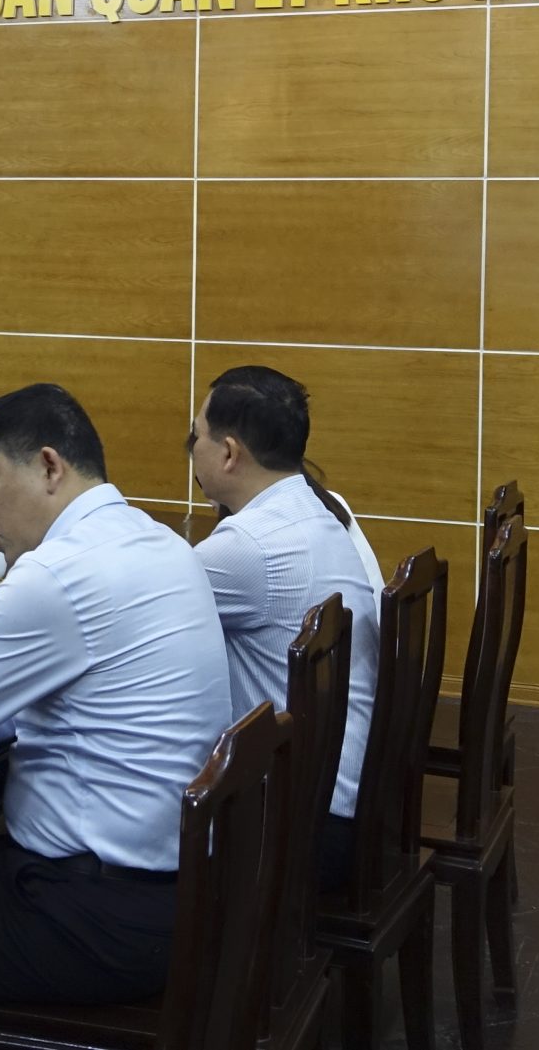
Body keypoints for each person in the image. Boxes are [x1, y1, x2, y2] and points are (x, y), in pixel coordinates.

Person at [0, 384, 231, 1011]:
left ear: (50, 466)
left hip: (95, 915)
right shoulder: (155, 538)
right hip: (178, 890)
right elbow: (77, 671)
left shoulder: (57, 573)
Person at [188, 364, 379, 891]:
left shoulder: (250, 545)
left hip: (305, 829)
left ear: (229, 453)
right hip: (342, 796)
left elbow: (132, 617)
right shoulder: (312, 510)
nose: (191, 449)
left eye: (196, 437)